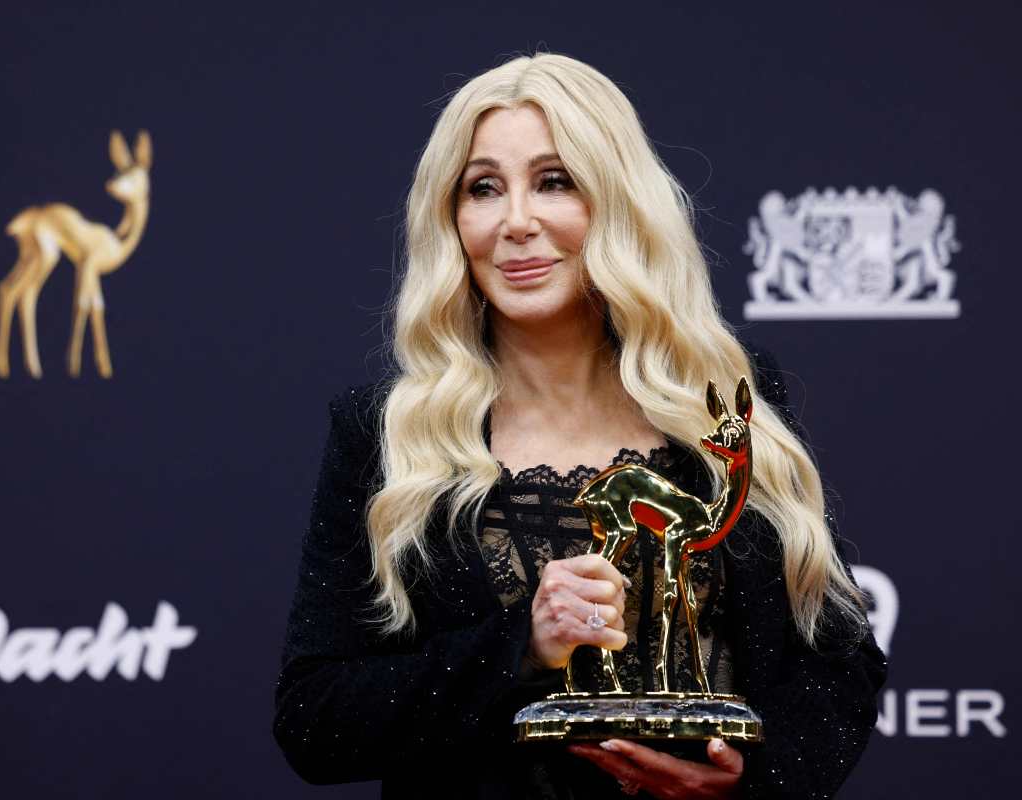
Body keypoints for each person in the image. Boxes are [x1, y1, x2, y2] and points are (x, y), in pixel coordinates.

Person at [274, 52, 887, 799]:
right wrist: (525, 645)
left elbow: (839, 662)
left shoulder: (724, 397)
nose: (517, 222)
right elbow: (315, 720)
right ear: (452, 218)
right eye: (483, 188)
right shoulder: (389, 432)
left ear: (617, 201)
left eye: (554, 181)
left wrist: (748, 782)